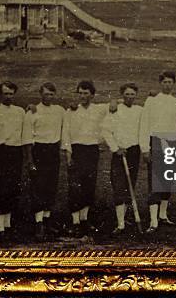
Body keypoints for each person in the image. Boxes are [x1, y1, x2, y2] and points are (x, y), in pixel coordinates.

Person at [62, 80, 110, 237]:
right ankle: (75, 222)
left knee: (89, 186)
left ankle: (84, 220)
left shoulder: (99, 109)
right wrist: (68, 155)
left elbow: (116, 104)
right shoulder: (71, 111)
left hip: (91, 151)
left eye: (86, 93)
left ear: (92, 95)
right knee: (75, 187)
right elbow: (66, 134)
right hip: (76, 151)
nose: (83, 96)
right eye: (80, 93)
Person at [21, 82, 66, 240]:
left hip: (53, 151)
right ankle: (38, 224)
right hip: (38, 151)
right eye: (46, 94)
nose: (49, 97)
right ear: (41, 94)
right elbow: (27, 138)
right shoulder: (33, 111)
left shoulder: (59, 110)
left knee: (51, 186)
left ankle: (47, 222)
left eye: (51, 94)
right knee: (38, 187)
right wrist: (30, 161)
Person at [140, 71, 176, 233]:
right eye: (164, 82)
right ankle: (153, 220)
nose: (167, 85)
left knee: (167, 181)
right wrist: (145, 148)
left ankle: (163, 216)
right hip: (155, 142)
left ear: (174, 84)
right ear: (160, 83)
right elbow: (144, 124)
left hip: (172, 144)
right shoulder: (151, 102)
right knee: (155, 180)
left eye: (170, 82)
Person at [0, 81, 26, 240]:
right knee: (0, 189)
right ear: (0, 95)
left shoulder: (20, 112)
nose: (8, 97)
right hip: (1, 152)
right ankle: (0, 227)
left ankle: (8, 225)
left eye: (11, 94)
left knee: (13, 188)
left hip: (16, 153)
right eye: (5, 94)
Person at [101, 83, 143, 234]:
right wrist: (115, 148)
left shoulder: (140, 110)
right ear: (122, 95)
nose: (130, 97)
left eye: (133, 94)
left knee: (130, 185)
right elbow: (106, 130)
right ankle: (120, 225)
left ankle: (123, 218)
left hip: (134, 152)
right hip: (120, 153)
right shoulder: (115, 110)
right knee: (119, 186)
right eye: (127, 94)